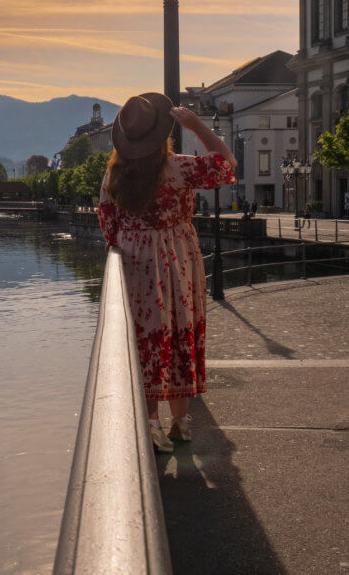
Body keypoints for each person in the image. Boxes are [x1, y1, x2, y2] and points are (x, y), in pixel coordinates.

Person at [97, 93, 237, 453]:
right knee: (179, 332)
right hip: (177, 256)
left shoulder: (114, 173)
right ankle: (181, 422)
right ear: (162, 136)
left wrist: (130, 242)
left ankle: (151, 424)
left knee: (145, 340)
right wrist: (197, 126)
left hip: (132, 260)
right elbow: (226, 163)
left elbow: (107, 221)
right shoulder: (177, 168)